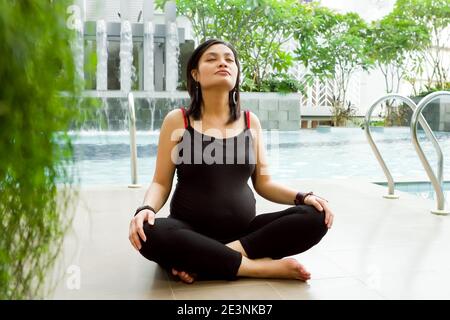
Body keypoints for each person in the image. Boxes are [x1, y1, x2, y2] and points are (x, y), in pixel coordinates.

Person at [128, 39, 334, 284]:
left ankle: (207, 261)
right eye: (212, 58)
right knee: (149, 233)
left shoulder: (250, 122)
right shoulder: (178, 121)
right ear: (195, 74)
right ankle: (259, 268)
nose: (223, 63)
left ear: (236, 73)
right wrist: (146, 209)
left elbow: (264, 183)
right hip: (188, 231)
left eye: (229, 59)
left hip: (246, 234)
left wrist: (303, 197)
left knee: (315, 216)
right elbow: (161, 183)